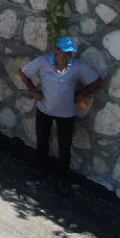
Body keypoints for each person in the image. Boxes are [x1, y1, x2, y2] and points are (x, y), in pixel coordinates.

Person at [20, 36, 103, 194]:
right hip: (44, 109)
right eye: (64, 53)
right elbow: (24, 73)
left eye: (70, 54)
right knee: (42, 139)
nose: (66, 56)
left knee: (65, 147)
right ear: (56, 51)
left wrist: (82, 93)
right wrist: (33, 91)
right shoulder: (43, 61)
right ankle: (42, 168)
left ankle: (62, 178)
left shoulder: (78, 66)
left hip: (66, 113)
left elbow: (98, 81)